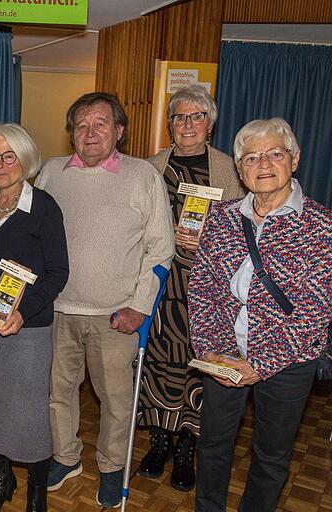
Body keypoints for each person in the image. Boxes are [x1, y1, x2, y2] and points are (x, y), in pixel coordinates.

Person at [36, 92, 175, 507]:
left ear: (119, 131)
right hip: (57, 309)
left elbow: (161, 249)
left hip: (116, 315)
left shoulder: (143, 176)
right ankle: (65, 457)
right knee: (57, 391)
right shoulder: (50, 172)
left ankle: (112, 467)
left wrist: (140, 305)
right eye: (81, 125)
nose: (90, 132)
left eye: (99, 124)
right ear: (71, 134)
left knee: (115, 399)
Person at [189, 118, 332, 512]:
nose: (263, 164)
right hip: (223, 355)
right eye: (251, 157)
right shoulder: (221, 218)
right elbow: (202, 289)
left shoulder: (321, 226)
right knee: (213, 445)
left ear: (295, 159)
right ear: (239, 168)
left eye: (275, 154)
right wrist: (210, 350)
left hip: (288, 363)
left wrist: (261, 363)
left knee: (270, 457)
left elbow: (314, 311)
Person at [137, 85, 245, 491]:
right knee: (158, 363)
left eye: (195, 116)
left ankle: (186, 448)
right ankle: (159, 440)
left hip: (208, 290)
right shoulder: (149, 167)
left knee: (198, 365)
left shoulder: (232, 172)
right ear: (169, 124)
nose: (187, 124)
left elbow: (246, 232)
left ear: (209, 123)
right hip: (161, 285)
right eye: (179, 117)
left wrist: (211, 242)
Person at [0, 123, 69, 512]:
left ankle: (36, 495)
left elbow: (58, 273)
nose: (0, 164)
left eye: (8, 156)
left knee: (30, 414)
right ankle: (0, 483)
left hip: (29, 325)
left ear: (24, 159)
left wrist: (23, 313)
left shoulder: (44, 207)